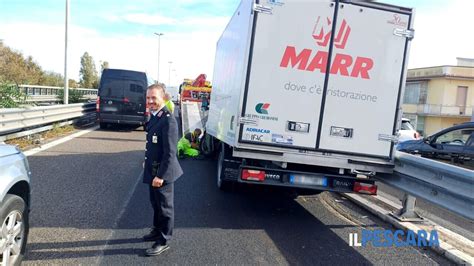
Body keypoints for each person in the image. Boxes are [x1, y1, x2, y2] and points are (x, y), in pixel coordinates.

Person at [142, 83, 183, 256]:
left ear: (164, 98)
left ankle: (164, 239)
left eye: (154, 98)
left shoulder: (168, 120)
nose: (150, 101)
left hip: (163, 173)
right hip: (153, 170)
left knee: (165, 207)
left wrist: (161, 176)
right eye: (148, 98)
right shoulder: (155, 116)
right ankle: (157, 230)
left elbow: (170, 153)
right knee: (155, 203)